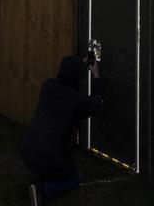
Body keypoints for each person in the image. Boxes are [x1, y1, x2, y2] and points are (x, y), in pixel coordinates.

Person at [21, 55, 104, 205]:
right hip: (50, 155)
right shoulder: (76, 101)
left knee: (47, 162)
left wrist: (80, 64)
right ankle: (43, 191)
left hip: (27, 149)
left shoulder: (48, 86)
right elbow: (98, 102)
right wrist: (96, 75)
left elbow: (69, 74)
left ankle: (41, 176)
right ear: (77, 77)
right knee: (74, 178)